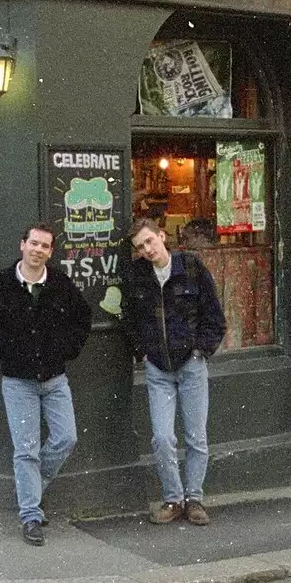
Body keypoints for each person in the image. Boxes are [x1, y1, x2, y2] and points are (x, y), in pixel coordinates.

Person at [0, 224, 91, 545]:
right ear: (22, 244)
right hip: (17, 382)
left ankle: (32, 487)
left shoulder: (60, 285)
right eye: (33, 243)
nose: (38, 250)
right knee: (25, 450)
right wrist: (8, 349)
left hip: (55, 379)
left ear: (50, 252)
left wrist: (65, 349)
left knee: (66, 438)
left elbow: (82, 319)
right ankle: (30, 516)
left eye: (45, 246)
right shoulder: (0, 284)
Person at [122, 217, 225, 525]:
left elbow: (214, 316)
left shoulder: (190, 268)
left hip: (191, 365)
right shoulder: (138, 276)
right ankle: (172, 499)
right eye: (140, 247)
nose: (147, 250)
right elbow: (129, 318)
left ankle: (194, 499)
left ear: (162, 236)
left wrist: (201, 350)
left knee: (196, 437)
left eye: (149, 241)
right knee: (163, 438)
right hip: (158, 368)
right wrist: (142, 352)